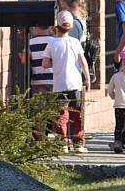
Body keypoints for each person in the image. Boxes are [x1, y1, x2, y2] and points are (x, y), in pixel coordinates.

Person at [42, 10, 90, 153]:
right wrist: (87, 78)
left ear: (58, 25)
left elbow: (44, 64)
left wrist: (55, 64)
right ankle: (78, 143)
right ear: (70, 27)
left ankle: (62, 143)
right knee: (77, 114)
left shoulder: (51, 43)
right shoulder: (75, 42)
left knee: (61, 115)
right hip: (75, 84)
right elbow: (83, 62)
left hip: (59, 85)